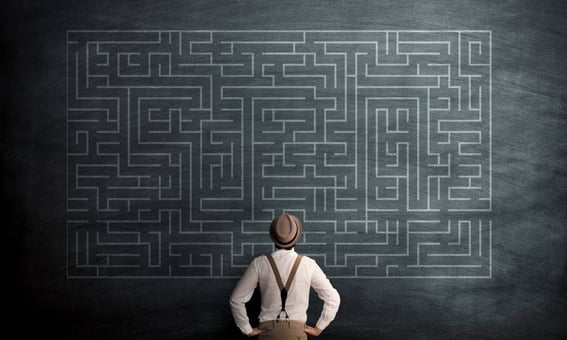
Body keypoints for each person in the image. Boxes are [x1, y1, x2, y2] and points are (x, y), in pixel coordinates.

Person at [230, 213, 340, 339]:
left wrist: (246, 329)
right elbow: (333, 298)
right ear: (296, 237)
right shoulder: (308, 265)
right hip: (297, 332)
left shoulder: (259, 264)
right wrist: (318, 328)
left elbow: (236, 299)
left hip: (267, 332)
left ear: (273, 237)